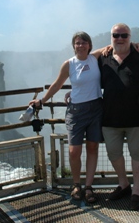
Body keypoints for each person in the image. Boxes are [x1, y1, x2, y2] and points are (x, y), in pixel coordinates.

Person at [29, 31, 103, 203]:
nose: (81, 45)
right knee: (74, 150)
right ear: (73, 46)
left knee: (93, 148)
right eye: (77, 43)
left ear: (89, 45)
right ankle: (76, 184)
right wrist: (43, 101)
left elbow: (112, 46)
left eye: (84, 42)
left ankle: (89, 186)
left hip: (96, 109)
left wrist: (137, 45)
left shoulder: (95, 58)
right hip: (76, 111)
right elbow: (57, 84)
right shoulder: (69, 64)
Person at [99, 23, 139, 211]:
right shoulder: (103, 57)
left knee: (138, 154)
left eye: (124, 35)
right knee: (113, 152)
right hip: (110, 117)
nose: (120, 38)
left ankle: (137, 190)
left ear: (130, 37)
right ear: (111, 37)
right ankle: (123, 184)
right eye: (116, 35)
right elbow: (84, 58)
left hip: (137, 117)